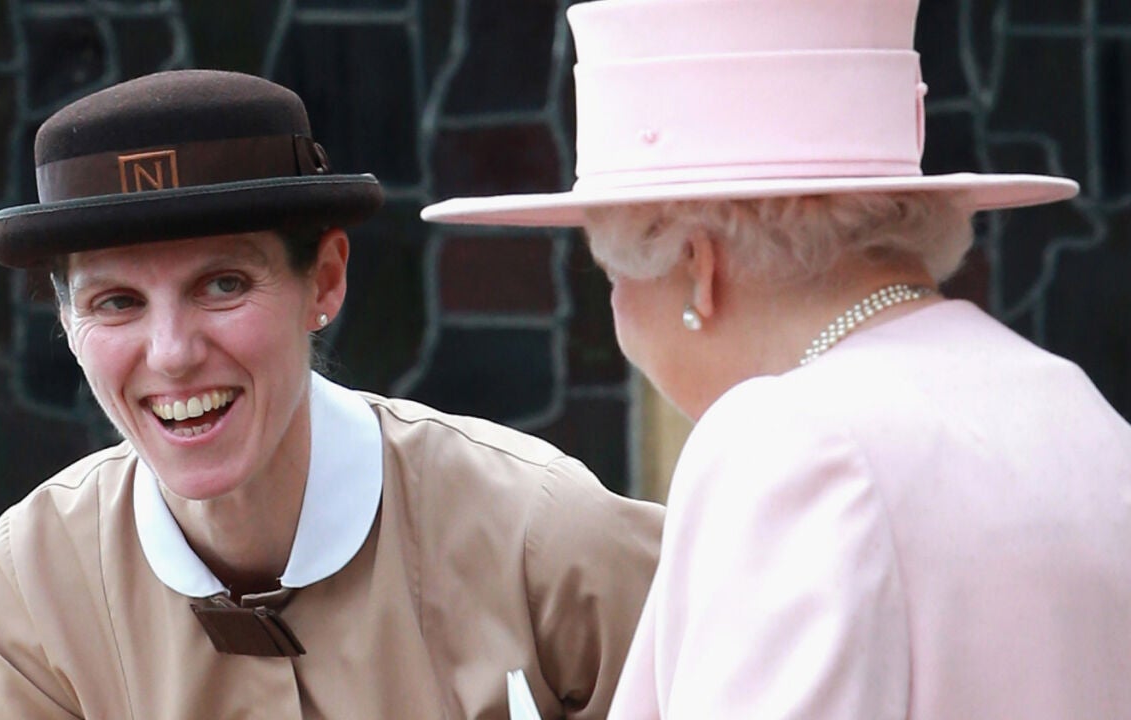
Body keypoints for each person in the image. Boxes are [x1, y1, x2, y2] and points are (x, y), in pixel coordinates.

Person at [422, 0, 1131, 717]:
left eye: (612, 273)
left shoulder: (790, 443)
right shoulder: (1072, 405)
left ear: (697, 267)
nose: (617, 313)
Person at [0, 69, 663, 719]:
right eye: (116, 302)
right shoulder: (30, 587)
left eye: (222, 284)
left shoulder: (547, 540)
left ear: (324, 280)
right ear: (67, 322)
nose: (172, 354)